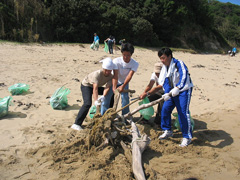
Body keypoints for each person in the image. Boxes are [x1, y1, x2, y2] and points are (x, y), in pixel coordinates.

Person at [157, 48, 193, 147]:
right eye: (161, 59)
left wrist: (178, 87)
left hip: (183, 90)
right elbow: (166, 81)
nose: (162, 61)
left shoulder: (179, 63)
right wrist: (167, 93)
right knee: (165, 109)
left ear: (170, 56)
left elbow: (184, 76)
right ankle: (167, 130)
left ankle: (187, 137)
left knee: (182, 112)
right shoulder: (166, 67)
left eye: (164, 58)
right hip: (172, 92)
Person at [71, 57, 116, 131]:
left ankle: (108, 113)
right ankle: (76, 124)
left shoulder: (111, 76)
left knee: (111, 94)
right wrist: (96, 101)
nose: (107, 72)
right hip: (87, 86)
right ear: (103, 68)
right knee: (87, 103)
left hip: (97, 87)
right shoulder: (97, 74)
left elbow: (107, 87)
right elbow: (95, 89)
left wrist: (104, 96)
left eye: (109, 70)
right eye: (106, 70)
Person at [101, 43, 139, 115]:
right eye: (124, 55)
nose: (126, 57)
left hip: (124, 82)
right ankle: (103, 116)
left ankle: (125, 116)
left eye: (128, 55)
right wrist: (114, 87)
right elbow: (115, 75)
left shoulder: (135, 63)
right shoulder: (116, 61)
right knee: (106, 98)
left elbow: (129, 76)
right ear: (122, 53)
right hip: (114, 80)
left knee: (125, 99)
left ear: (131, 54)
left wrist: (123, 86)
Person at [139, 62, 164, 127]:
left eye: (159, 73)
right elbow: (150, 85)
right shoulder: (154, 74)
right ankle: (144, 119)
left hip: (167, 92)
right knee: (147, 99)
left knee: (162, 104)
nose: (157, 74)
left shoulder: (166, 75)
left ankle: (158, 122)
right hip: (158, 91)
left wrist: (147, 93)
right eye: (157, 73)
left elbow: (158, 87)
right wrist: (144, 93)